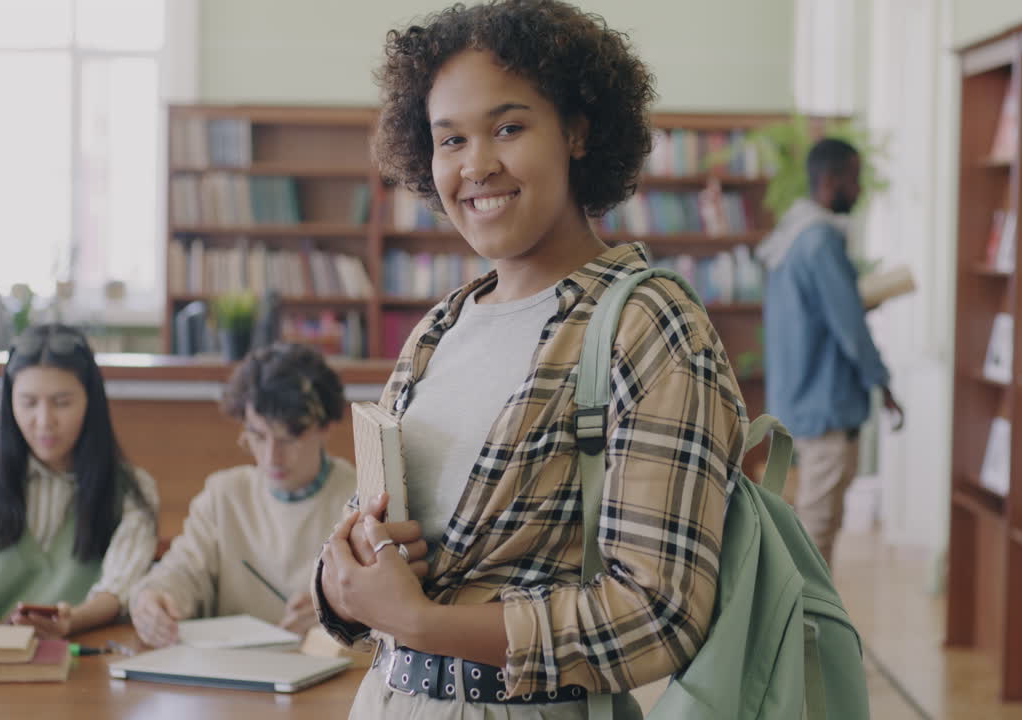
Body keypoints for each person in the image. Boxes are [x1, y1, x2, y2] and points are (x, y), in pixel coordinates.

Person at [313, 1, 748, 717]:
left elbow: (658, 612)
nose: (477, 164)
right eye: (450, 139)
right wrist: (341, 582)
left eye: (509, 128)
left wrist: (423, 623)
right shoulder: (438, 328)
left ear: (577, 131)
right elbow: (369, 539)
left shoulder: (647, 322)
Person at [129, 342, 356, 647]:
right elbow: (183, 569)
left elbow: (384, 611)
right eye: (258, 436)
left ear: (325, 426)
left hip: (332, 669)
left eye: (289, 438)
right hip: (232, 668)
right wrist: (154, 597)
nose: (272, 458)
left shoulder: (359, 499)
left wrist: (341, 617)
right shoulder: (225, 495)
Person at [758, 137, 905, 569]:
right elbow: (850, 330)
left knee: (808, 526)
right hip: (826, 406)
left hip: (797, 399)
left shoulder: (790, 234)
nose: (859, 191)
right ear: (831, 180)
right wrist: (883, 384)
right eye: (854, 179)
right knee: (816, 534)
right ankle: (809, 616)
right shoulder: (821, 240)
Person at [0, 324, 159, 635]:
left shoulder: (131, 489)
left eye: (62, 402)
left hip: (82, 653)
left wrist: (72, 620)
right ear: (9, 403)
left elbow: (119, 588)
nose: (44, 421)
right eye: (28, 402)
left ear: (90, 401)